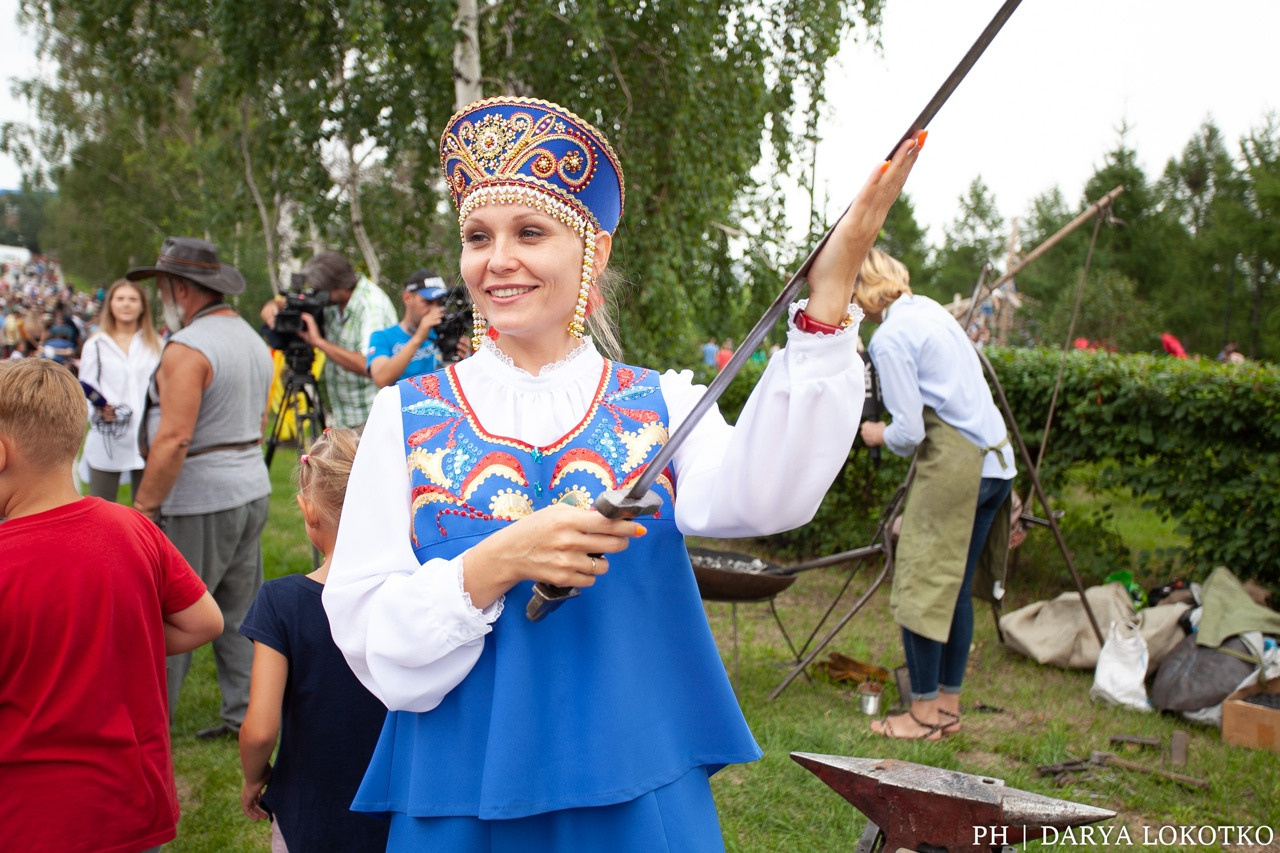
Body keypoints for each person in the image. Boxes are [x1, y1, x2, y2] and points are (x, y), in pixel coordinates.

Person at [322, 95, 922, 849]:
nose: (496, 259)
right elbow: (366, 627)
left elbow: (771, 490)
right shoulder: (403, 416)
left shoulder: (661, 406)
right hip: (459, 795)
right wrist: (497, 561)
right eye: (478, 235)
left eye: (529, 232)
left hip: (636, 793)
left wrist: (828, 294)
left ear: (592, 254)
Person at [0, 358, 223, 852]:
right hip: (131, 806)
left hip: (28, 819)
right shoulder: (131, 527)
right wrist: (114, 637)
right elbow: (205, 620)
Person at [854, 249, 1017, 740]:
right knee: (956, 587)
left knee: (921, 584)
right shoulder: (929, 312)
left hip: (958, 465)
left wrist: (874, 433)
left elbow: (908, 432)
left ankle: (921, 716)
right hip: (996, 462)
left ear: (863, 290)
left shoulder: (890, 338)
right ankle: (947, 707)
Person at [128, 236, 275, 740]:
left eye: (164, 286)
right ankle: (243, 714)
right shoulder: (252, 339)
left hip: (200, 498)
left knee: (172, 610)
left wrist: (144, 507)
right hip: (250, 485)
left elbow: (174, 437)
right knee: (237, 612)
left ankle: (151, 722)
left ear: (180, 289)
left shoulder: (189, 346)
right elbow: (259, 420)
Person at [239, 428, 390, 853]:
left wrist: (254, 777)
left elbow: (259, 729)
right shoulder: (411, 594)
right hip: (395, 811)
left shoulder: (280, 602)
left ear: (308, 512)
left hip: (309, 813)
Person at [261, 252, 397, 428]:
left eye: (320, 292)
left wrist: (319, 342)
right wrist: (273, 306)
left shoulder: (371, 306)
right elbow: (298, 301)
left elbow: (370, 365)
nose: (317, 297)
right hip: (344, 418)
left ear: (339, 285)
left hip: (371, 418)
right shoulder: (336, 301)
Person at [77, 278, 163, 502]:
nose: (126, 304)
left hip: (148, 436)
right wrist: (99, 411)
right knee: (101, 511)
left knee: (148, 510)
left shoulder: (157, 344)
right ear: (111, 304)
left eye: (133, 299)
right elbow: (85, 389)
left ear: (142, 305)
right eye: (120, 299)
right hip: (109, 436)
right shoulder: (96, 345)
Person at [366, 269, 448, 387]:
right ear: (407, 298)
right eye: (428, 302)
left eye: (439, 303)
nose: (434, 310)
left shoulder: (444, 332)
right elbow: (381, 378)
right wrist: (418, 338)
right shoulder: (382, 337)